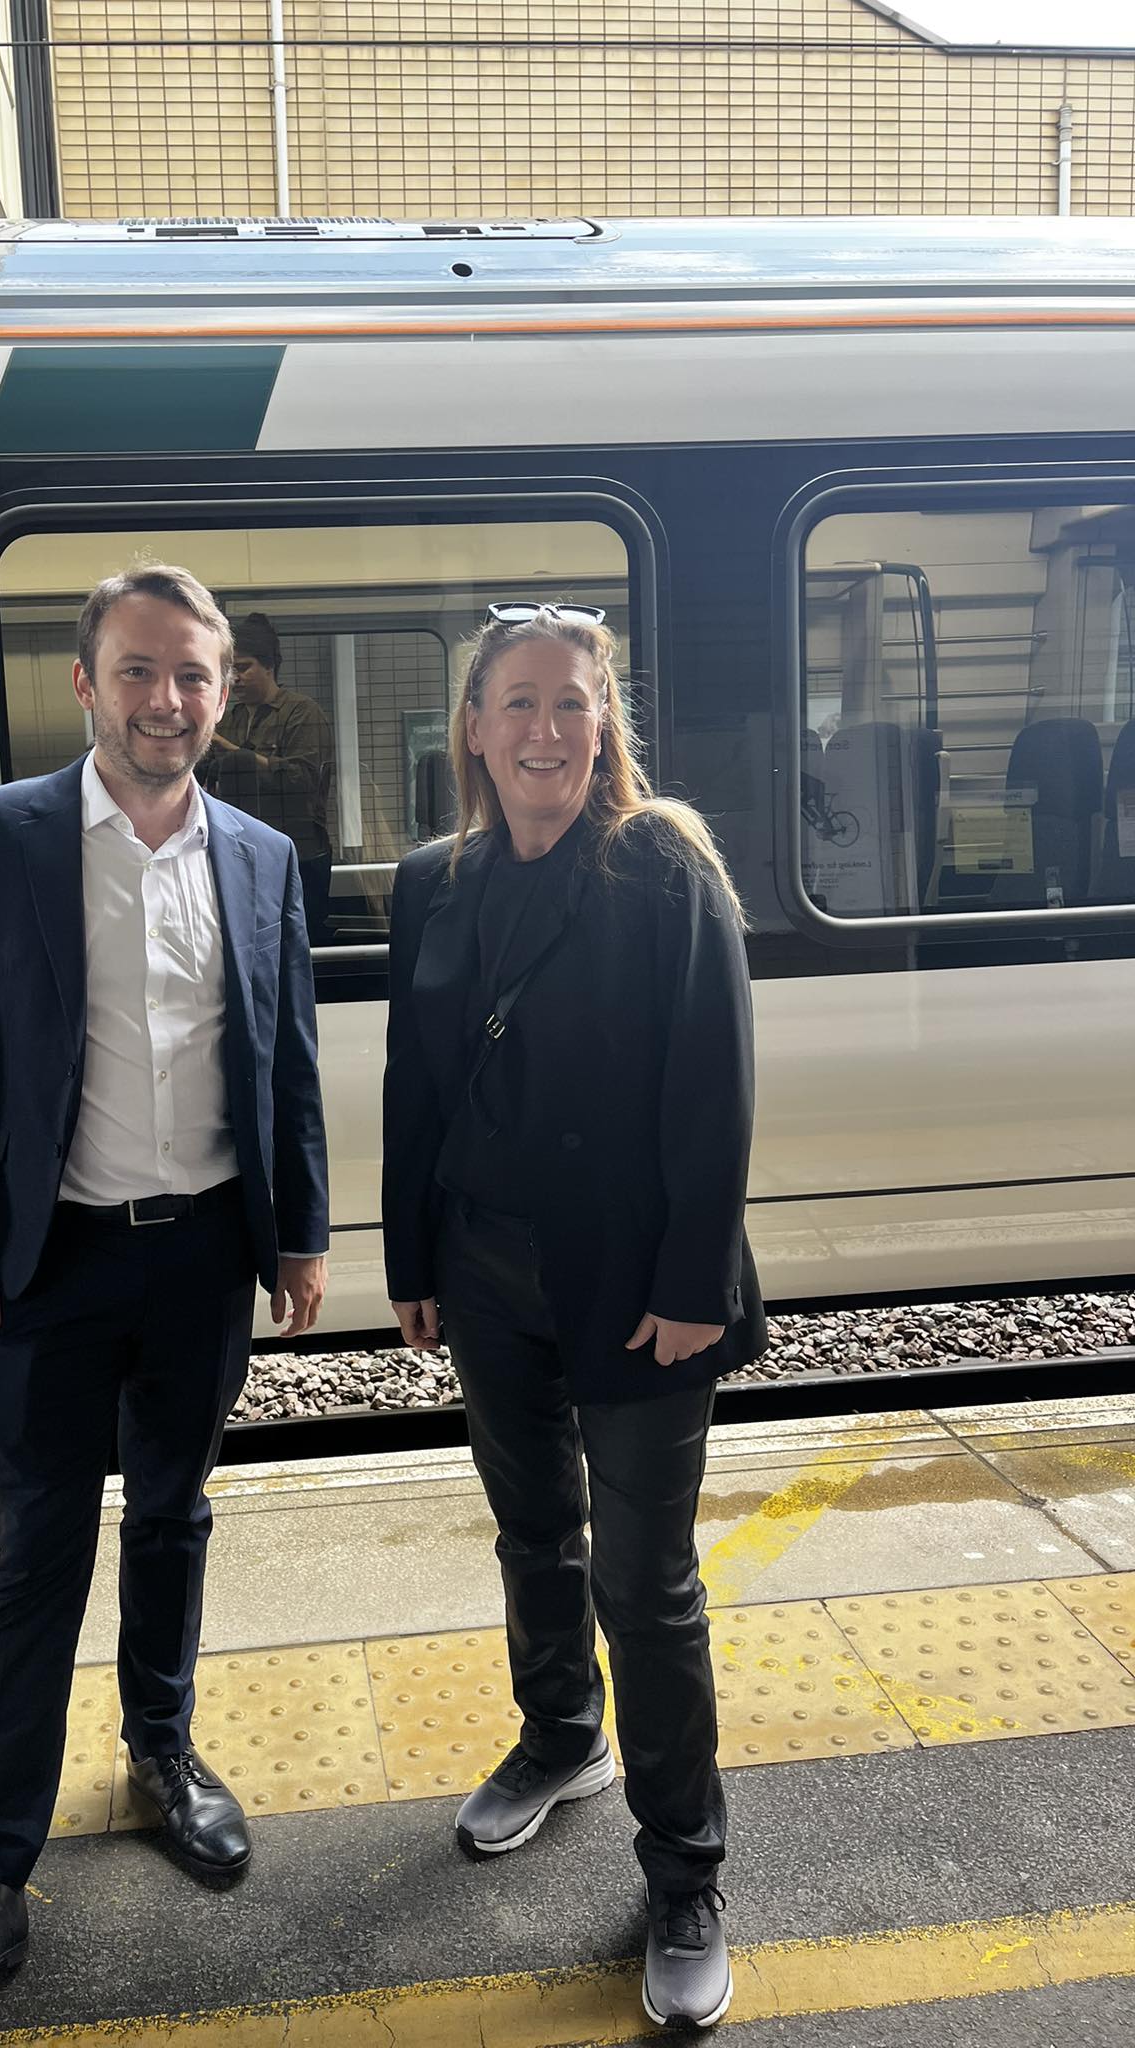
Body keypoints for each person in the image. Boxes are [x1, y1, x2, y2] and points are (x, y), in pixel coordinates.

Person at [0, 564, 329, 2001]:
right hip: (56, 1264)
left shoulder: (259, 855)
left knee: (172, 1516)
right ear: (86, 683)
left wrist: (300, 1233)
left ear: (225, 689)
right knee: (38, 1554)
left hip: (204, 1253)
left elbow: (286, 1057)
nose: (167, 699)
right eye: (139, 670)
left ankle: (163, 1754)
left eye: (193, 674)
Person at [381, 601, 765, 2032]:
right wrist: (412, 1254)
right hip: (485, 1269)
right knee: (533, 1527)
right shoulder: (434, 882)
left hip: (634, 1283)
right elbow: (415, 1083)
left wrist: (691, 1284)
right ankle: (560, 1737)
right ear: (474, 730)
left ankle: (685, 1874)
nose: (546, 727)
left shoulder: (663, 865)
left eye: (572, 702)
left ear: (605, 726)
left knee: (646, 1584)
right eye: (519, 702)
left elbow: (714, 1083)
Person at [200, 612, 336, 944]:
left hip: (299, 853)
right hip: (241, 854)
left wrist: (235, 753)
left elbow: (303, 781)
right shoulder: (228, 719)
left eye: (244, 668)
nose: (235, 679)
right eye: (229, 670)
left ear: (269, 666)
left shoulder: (301, 712)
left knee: (299, 943)